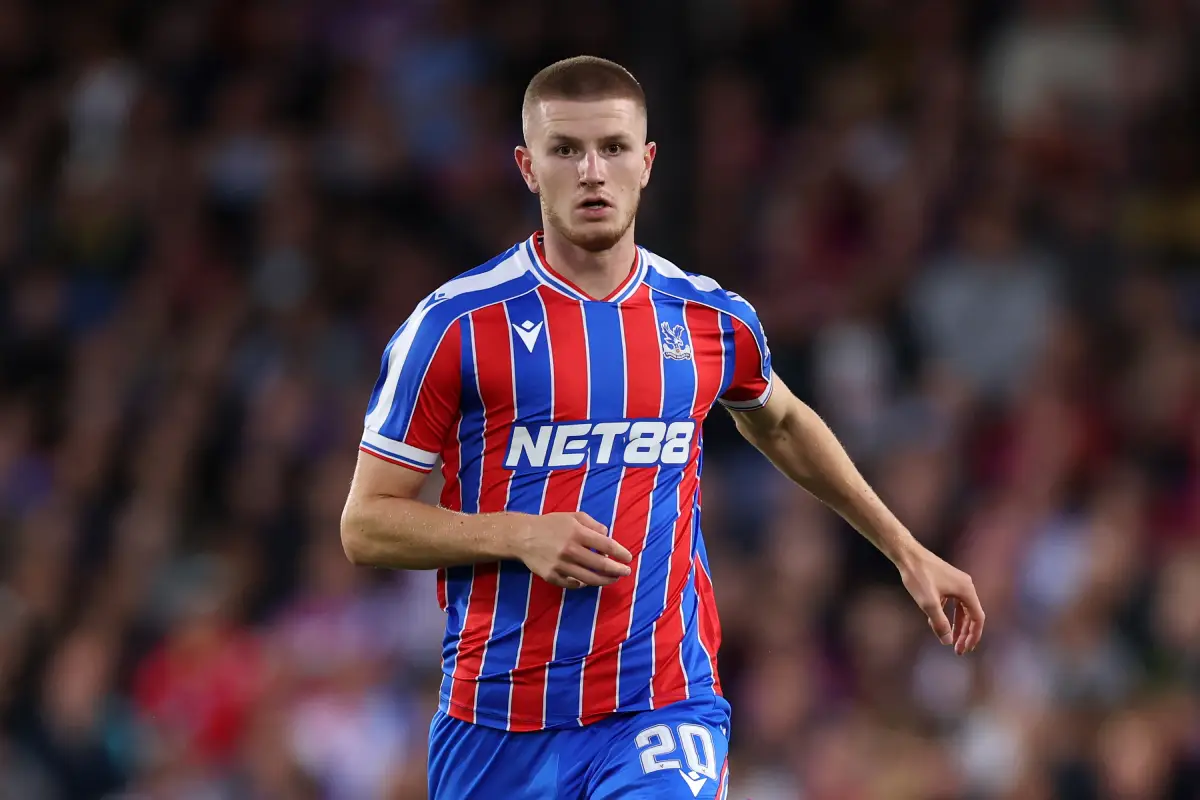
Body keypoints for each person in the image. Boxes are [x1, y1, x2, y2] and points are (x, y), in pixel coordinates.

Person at [340, 55, 985, 800]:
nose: (592, 172)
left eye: (613, 148)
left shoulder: (706, 318)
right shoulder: (456, 326)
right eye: (566, 150)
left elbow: (778, 420)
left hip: (661, 704)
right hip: (495, 723)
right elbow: (366, 526)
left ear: (645, 163)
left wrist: (906, 551)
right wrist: (517, 534)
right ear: (527, 166)